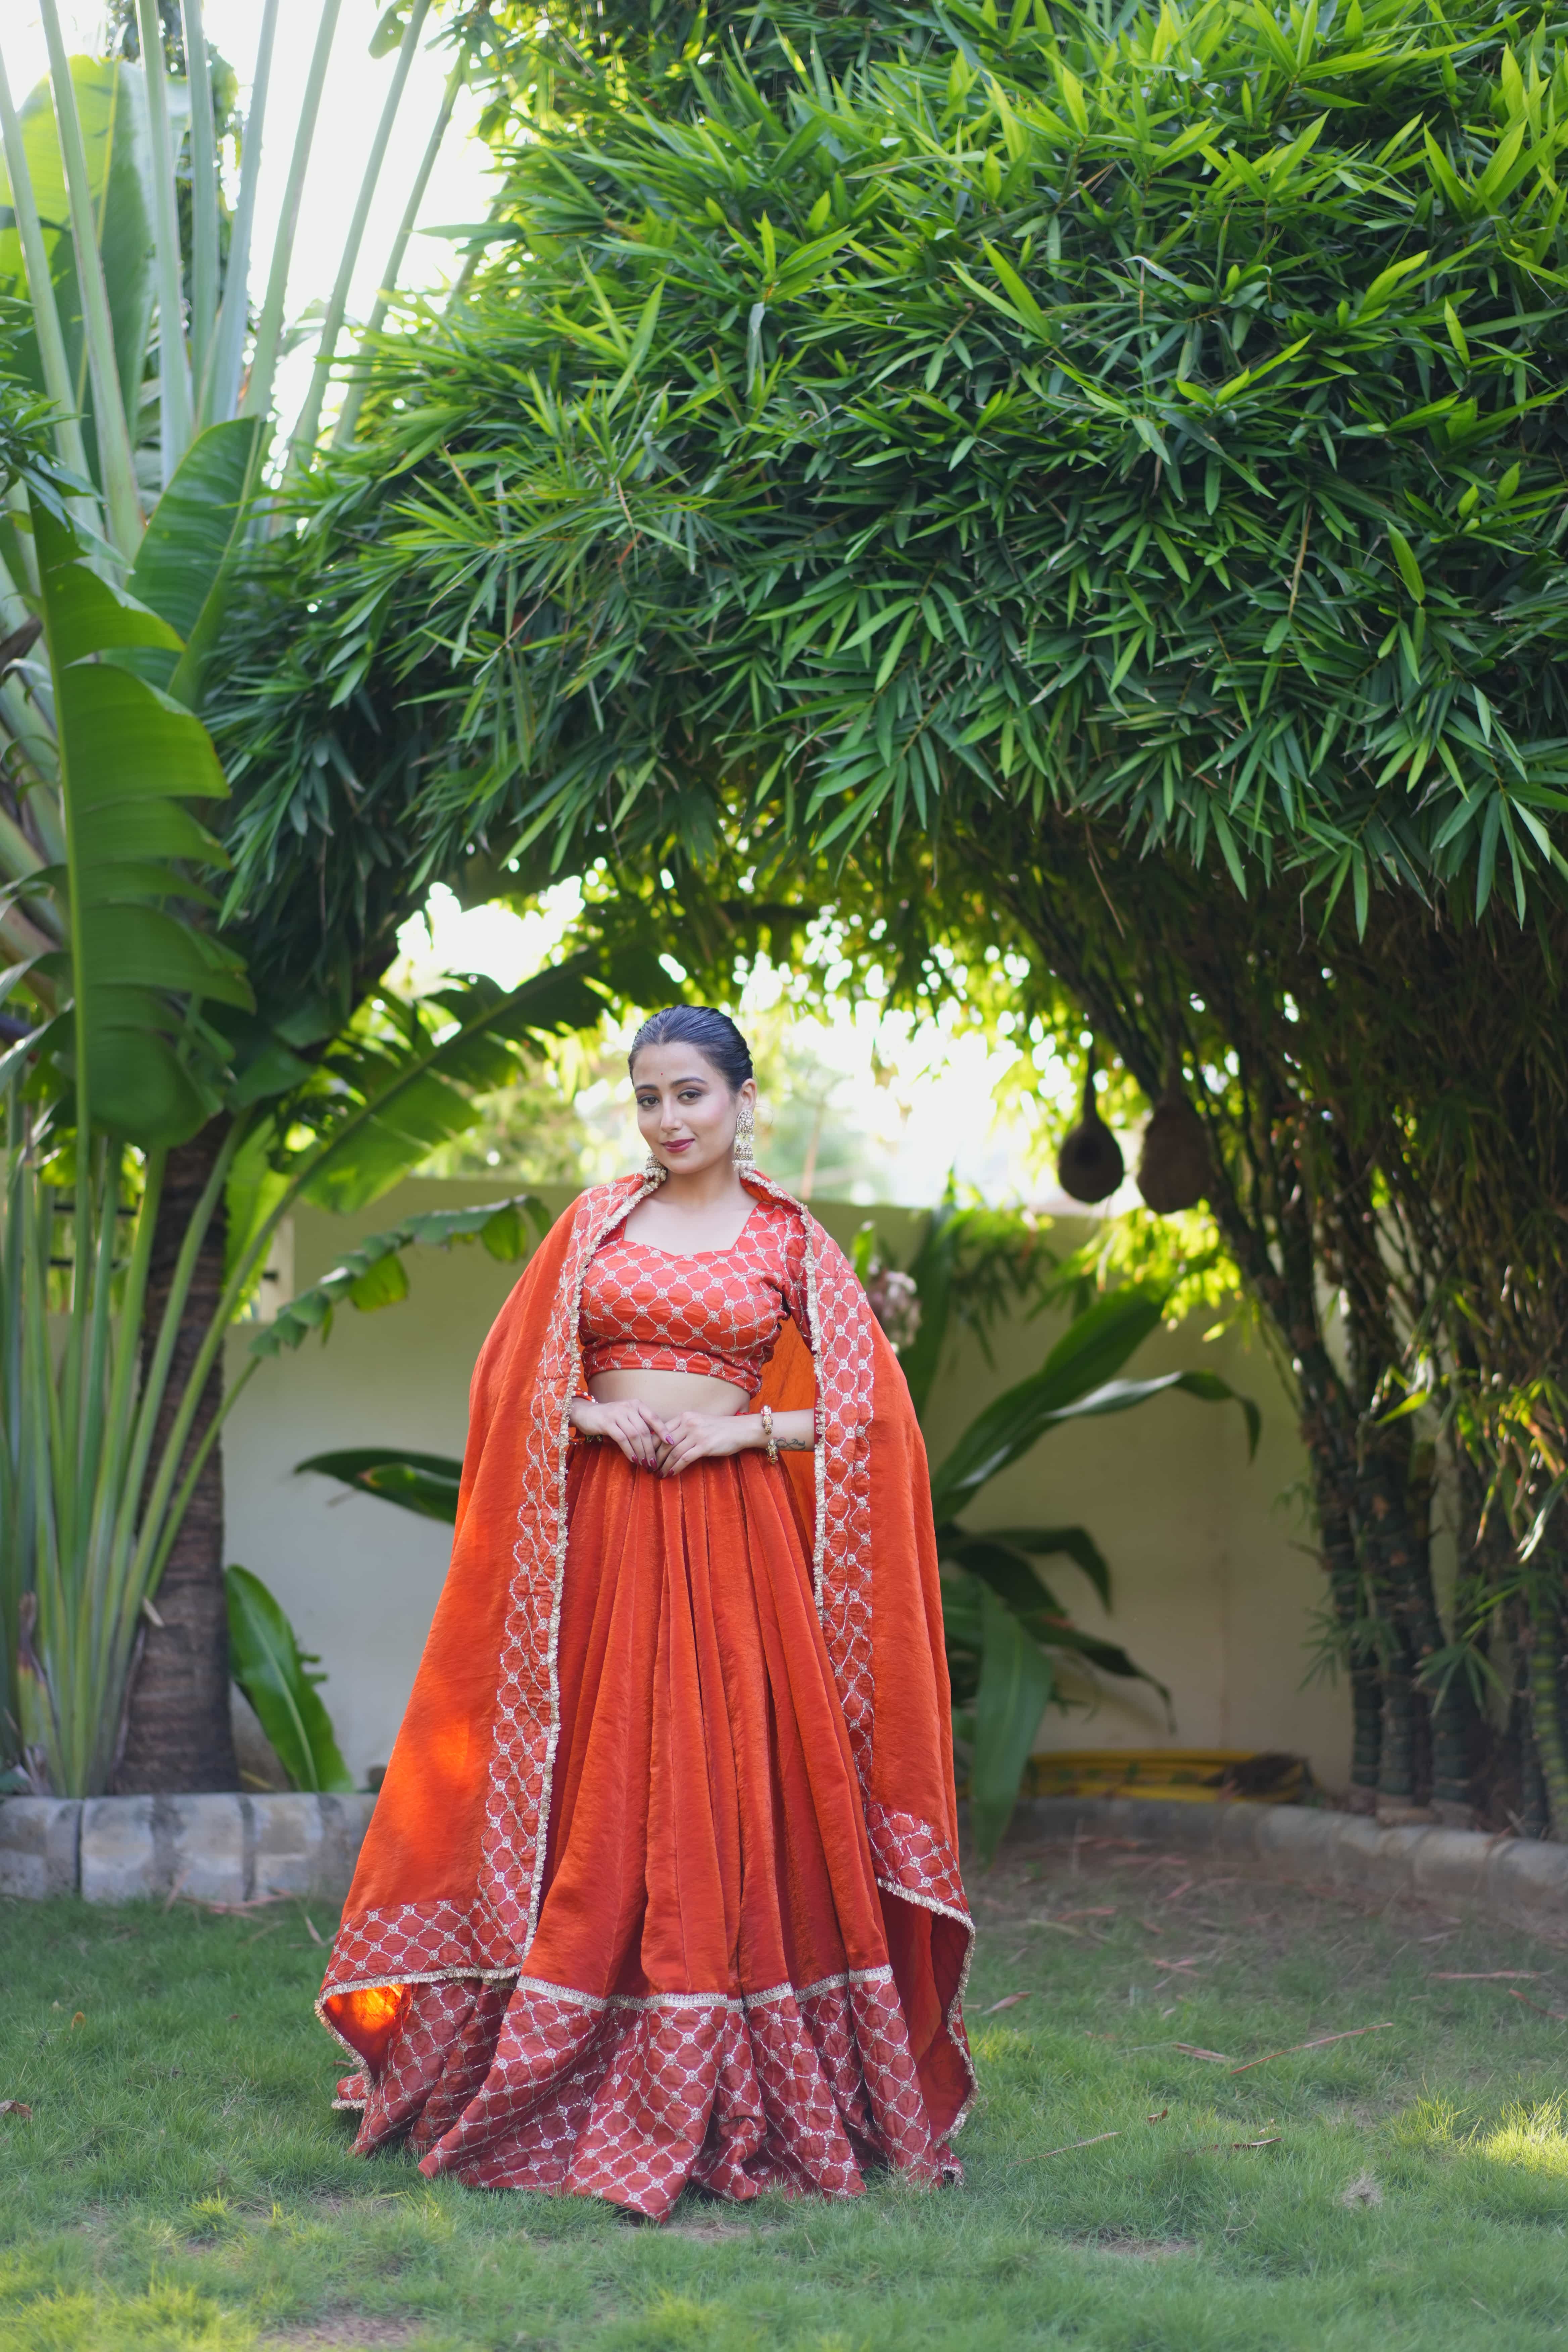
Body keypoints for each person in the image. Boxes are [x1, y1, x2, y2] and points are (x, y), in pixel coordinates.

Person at [316, 1007, 974, 2221]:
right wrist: (592, 1414)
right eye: (649, 1098)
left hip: (734, 1544)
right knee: (600, 1773)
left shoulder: (790, 1239)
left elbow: (871, 1414)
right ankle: (552, 2046)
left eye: (691, 1094)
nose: (669, 1119)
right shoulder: (595, 1226)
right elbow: (509, 1377)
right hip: (605, 1538)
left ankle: (732, 2062)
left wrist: (738, 1432)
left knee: (727, 1780)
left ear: (742, 1101)